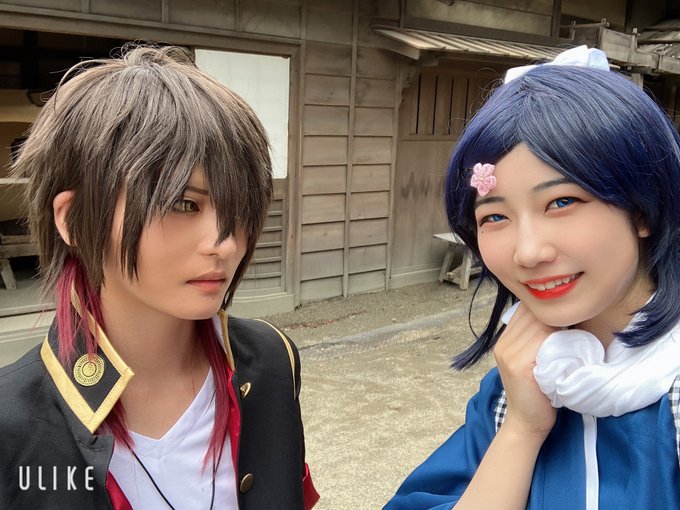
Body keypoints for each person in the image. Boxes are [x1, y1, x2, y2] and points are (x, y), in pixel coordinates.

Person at [0, 44, 319, 510]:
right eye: (184, 203)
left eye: (239, 207)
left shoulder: (272, 360)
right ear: (73, 219)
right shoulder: (11, 422)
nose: (225, 242)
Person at [384, 46, 680, 510]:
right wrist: (522, 430)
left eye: (562, 202)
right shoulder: (514, 388)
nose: (528, 252)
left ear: (642, 207)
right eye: (494, 216)